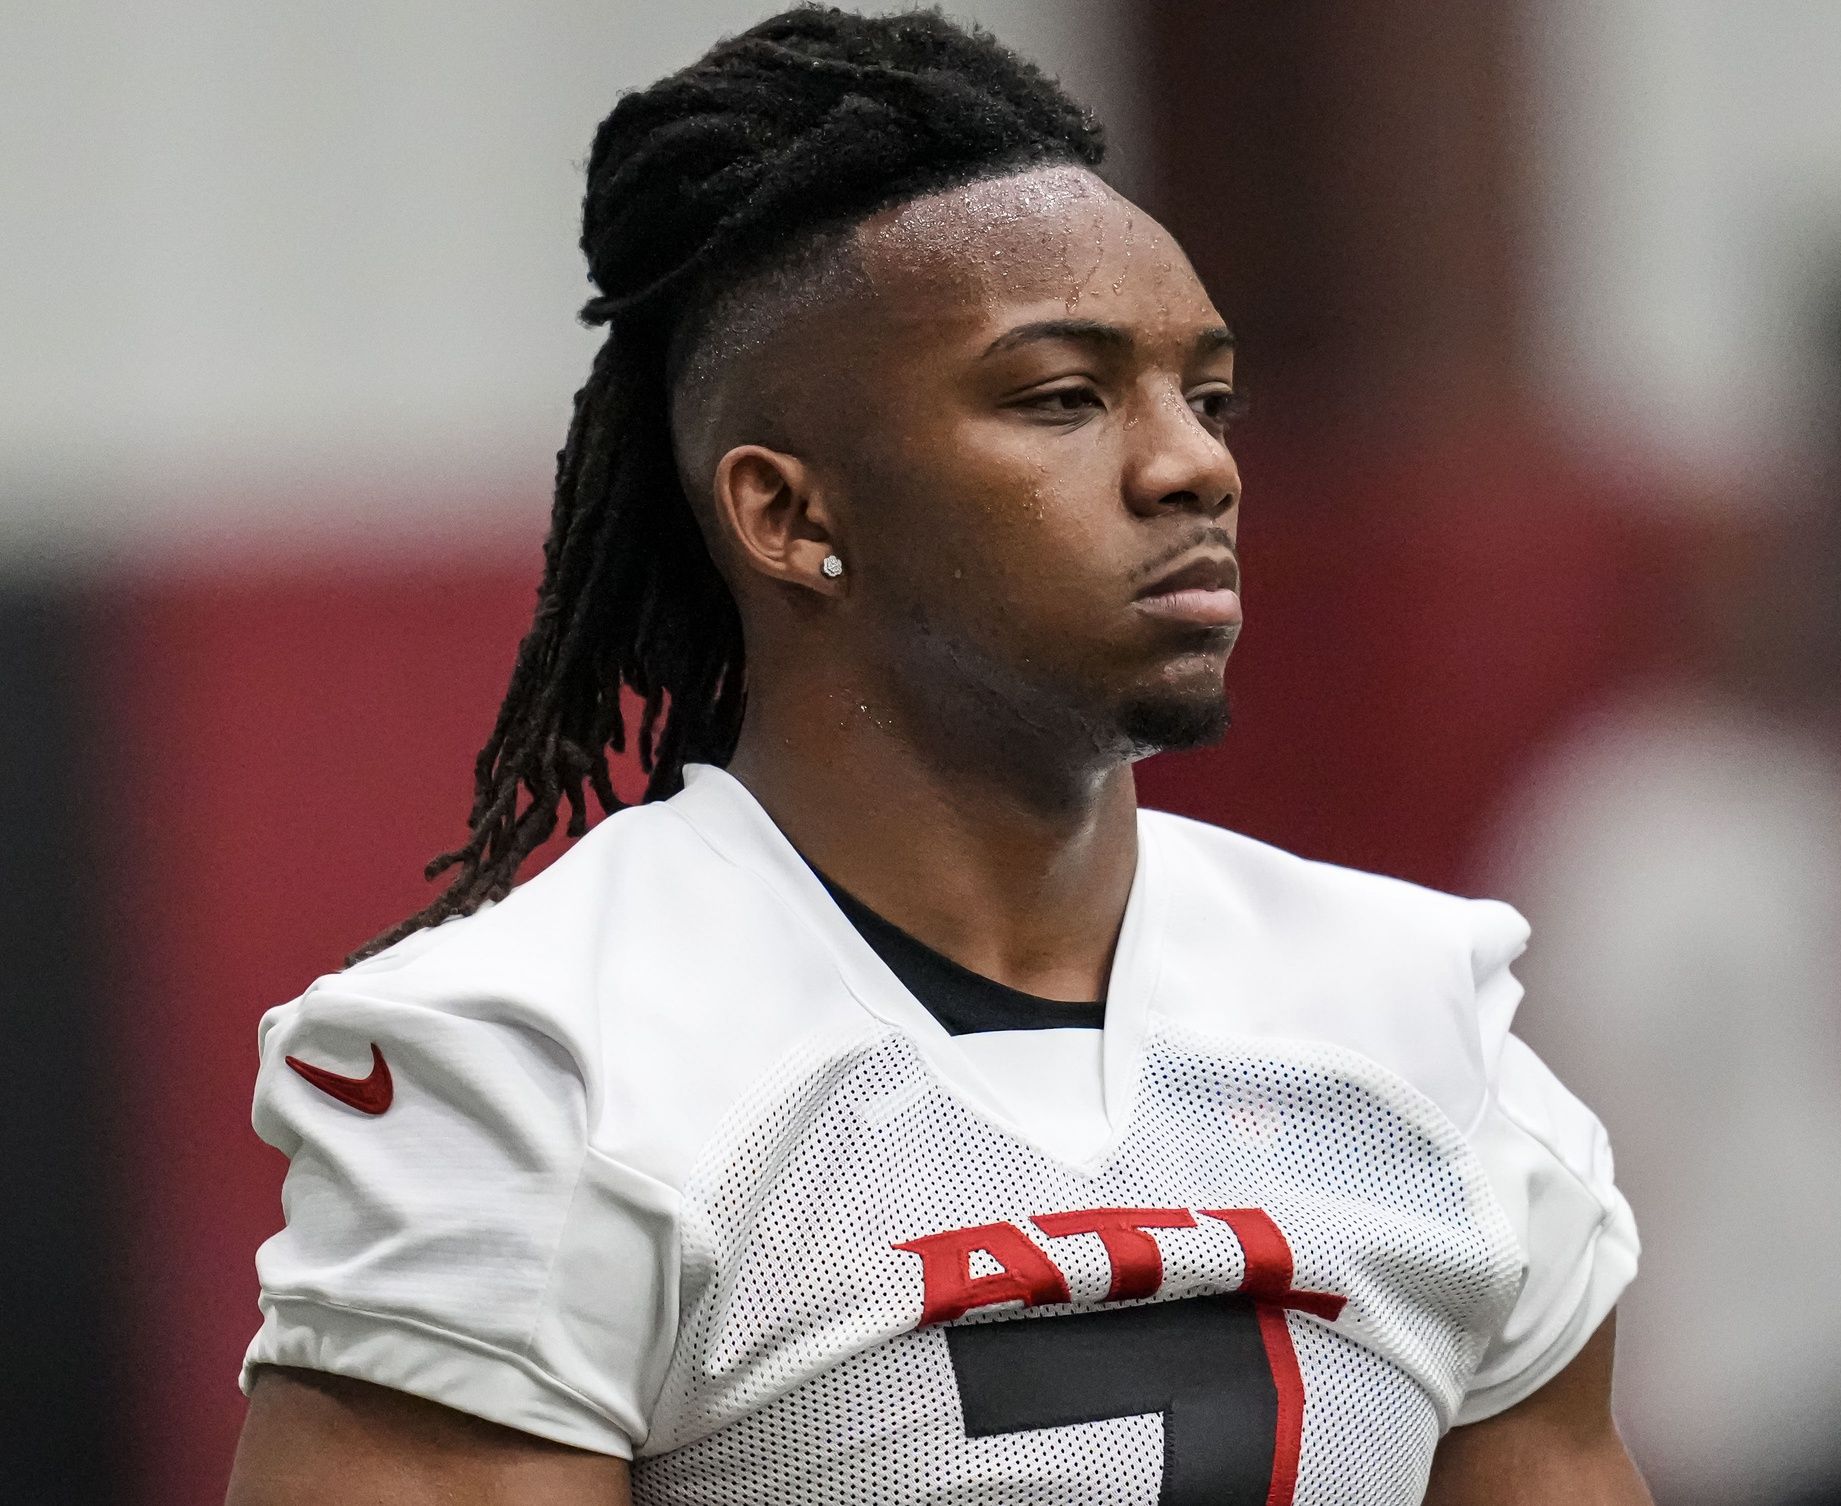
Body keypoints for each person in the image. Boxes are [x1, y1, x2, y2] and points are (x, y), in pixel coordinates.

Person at [222, 9, 1645, 1503]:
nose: (1193, 462)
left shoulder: (1424, 1025)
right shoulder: (543, 1063)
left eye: (1205, 396)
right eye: (1063, 397)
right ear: (790, 516)